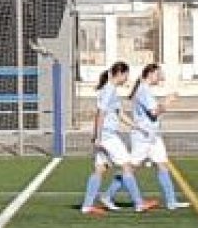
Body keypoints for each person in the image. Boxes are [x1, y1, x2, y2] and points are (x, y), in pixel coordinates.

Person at [103, 63, 189, 211]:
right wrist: (167, 102)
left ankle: (171, 201)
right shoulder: (143, 91)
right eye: (158, 74)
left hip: (153, 136)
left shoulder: (145, 89)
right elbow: (154, 112)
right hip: (142, 136)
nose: (161, 77)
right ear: (150, 74)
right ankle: (108, 195)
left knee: (162, 164)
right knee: (131, 168)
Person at [79, 62, 157, 215]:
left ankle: (87, 206)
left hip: (106, 136)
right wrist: (98, 137)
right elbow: (100, 114)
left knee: (100, 169)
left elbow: (119, 114)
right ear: (120, 73)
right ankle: (139, 204)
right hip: (107, 136)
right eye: (126, 75)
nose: (127, 78)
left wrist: (137, 127)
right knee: (127, 166)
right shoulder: (108, 90)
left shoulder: (111, 90)